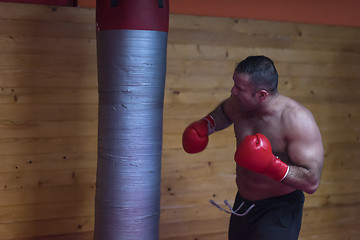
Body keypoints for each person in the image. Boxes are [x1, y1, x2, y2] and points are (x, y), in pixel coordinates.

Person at [182, 56, 324, 240]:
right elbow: (224, 112)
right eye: (234, 84)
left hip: (278, 210)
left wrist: (270, 165)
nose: (232, 91)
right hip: (243, 204)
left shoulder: (296, 120)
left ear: (262, 94)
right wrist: (205, 124)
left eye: (239, 88)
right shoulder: (239, 104)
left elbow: (311, 181)